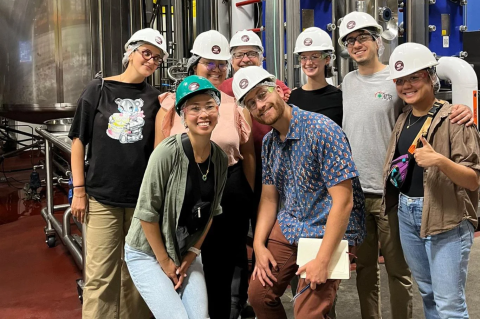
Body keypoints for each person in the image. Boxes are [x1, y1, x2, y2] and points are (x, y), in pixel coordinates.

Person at [338, 11, 473, 319]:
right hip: (357, 193)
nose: (356, 44)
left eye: (362, 37)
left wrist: (463, 106)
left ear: (377, 41)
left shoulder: (396, 79)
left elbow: (427, 110)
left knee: (400, 272)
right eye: (350, 40)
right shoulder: (347, 81)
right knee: (365, 271)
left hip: (392, 194)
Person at [232, 66, 366, 319]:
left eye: (262, 95)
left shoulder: (322, 130)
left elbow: (343, 202)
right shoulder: (271, 143)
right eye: (251, 103)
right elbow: (270, 198)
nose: (260, 105)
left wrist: (323, 260)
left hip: (328, 226)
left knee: (308, 313)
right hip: (292, 223)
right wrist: (259, 245)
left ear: (280, 91)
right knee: (259, 295)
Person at [155, 30, 256, 319]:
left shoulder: (235, 107)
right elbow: (158, 159)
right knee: (184, 266)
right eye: (209, 62)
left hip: (230, 193)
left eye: (221, 63)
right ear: (194, 65)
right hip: (185, 194)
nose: (216, 68)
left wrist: (247, 197)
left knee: (222, 269)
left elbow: (247, 155)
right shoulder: (169, 105)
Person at [69, 28, 168, 318]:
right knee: (100, 275)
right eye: (146, 53)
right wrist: (79, 190)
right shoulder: (99, 89)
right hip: (102, 197)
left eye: (157, 58)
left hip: (141, 203)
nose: (151, 61)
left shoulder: (156, 99)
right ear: (131, 52)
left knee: (138, 277)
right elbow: (78, 141)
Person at [382, 42, 479, 319]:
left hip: (445, 218)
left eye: (415, 77)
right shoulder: (403, 119)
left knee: (449, 305)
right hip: (407, 213)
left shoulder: (456, 120)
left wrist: (440, 161)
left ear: (430, 77)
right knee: (428, 293)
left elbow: (473, 181)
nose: (407, 85)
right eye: (401, 80)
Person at [124, 75, 228, 319]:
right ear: (182, 115)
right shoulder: (167, 154)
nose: (203, 114)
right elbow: (146, 214)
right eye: (194, 108)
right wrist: (166, 263)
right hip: (148, 253)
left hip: (184, 250)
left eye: (209, 106)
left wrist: (191, 253)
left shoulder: (220, 159)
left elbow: (212, 212)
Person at [221, 28, 292, 319]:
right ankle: (238, 302)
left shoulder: (276, 85)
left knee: (272, 238)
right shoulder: (223, 89)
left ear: (262, 58)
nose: (246, 59)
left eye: (252, 54)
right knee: (238, 240)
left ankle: (270, 293)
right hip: (238, 175)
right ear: (232, 60)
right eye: (239, 55)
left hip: (275, 172)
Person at [289, 27, 342, 127]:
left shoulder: (339, 98)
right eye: (304, 57)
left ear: (327, 59)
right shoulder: (292, 97)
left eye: (314, 56)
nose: (309, 63)